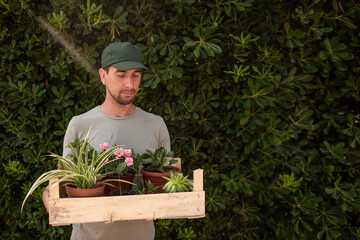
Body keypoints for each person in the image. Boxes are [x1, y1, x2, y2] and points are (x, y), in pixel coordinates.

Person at [43, 42, 171, 240]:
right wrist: (48, 193)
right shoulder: (80, 125)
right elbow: (67, 182)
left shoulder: (156, 125)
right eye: (121, 75)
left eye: (135, 75)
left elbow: (165, 184)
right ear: (103, 76)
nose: (129, 84)